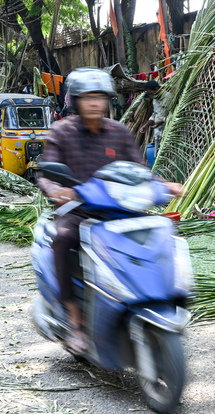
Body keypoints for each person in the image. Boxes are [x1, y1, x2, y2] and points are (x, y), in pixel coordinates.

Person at [37, 68, 183, 353]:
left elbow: (139, 170)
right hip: (79, 208)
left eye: (100, 98)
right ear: (76, 101)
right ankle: (76, 323)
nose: (94, 103)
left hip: (120, 207)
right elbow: (46, 172)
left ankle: (149, 298)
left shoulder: (118, 132)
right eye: (88, 98)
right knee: (64, 238)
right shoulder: (62, 132)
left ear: (108, 101)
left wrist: (165, 185)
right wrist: (55, 190)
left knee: (158, 233)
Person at [139, 80, 171, 151]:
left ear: (157, 89)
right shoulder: (155, 100)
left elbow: (173, 114)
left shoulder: (169, 97)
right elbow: (155, 114)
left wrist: (162, 121)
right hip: (158, 133)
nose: (151, 96)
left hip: (169, 133)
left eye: (151, 93)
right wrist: (146, 125)